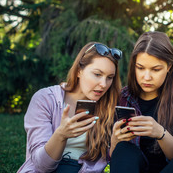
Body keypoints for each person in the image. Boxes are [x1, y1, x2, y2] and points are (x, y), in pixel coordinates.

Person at [17, 42, 123, 173]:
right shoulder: (45, 99)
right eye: (97, 74)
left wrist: (115, 142)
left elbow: (110, 161)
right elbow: (41, 166)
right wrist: (61, 135)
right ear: (79, 71)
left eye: (110, 77)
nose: (103, 84)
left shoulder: (110, 105)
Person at [109, 31, 173, 173]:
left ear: (169, 66)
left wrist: (160, 133)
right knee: (123, 148)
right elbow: (114, 159)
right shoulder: (122, 97)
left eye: (155, 69)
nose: (146, 77)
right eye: (140, 68)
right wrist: (115, 139)